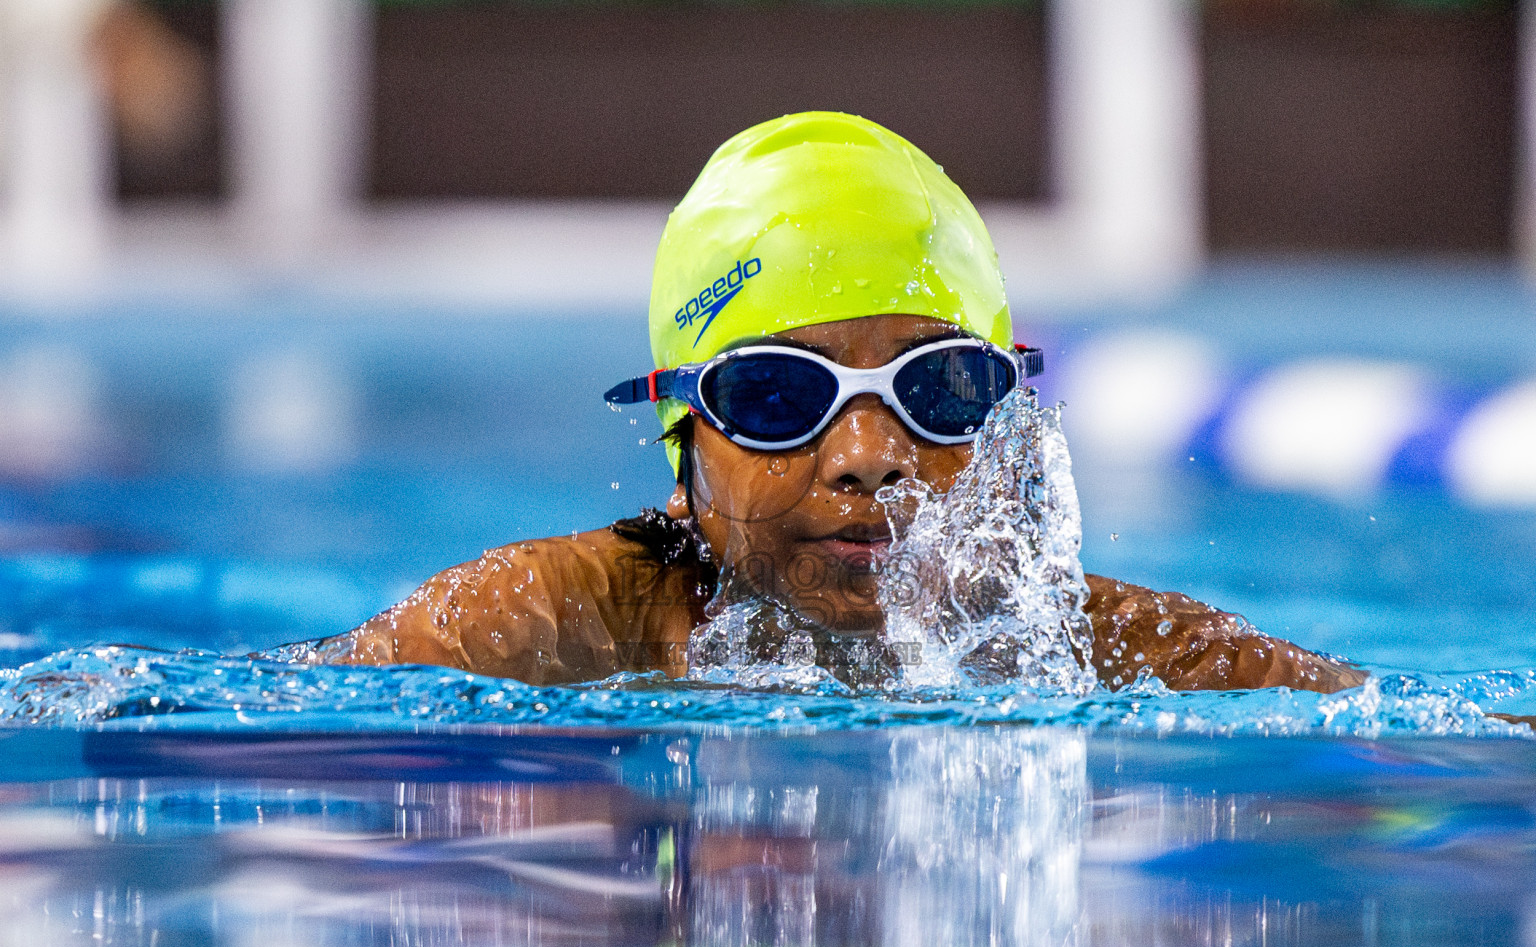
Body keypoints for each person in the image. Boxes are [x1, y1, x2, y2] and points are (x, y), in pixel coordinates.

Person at [312, 112, 1360, 695]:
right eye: (777, 394)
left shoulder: (1106, 652)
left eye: (938, 389)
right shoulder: (536, 628)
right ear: (685, 437)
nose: (867, 452)